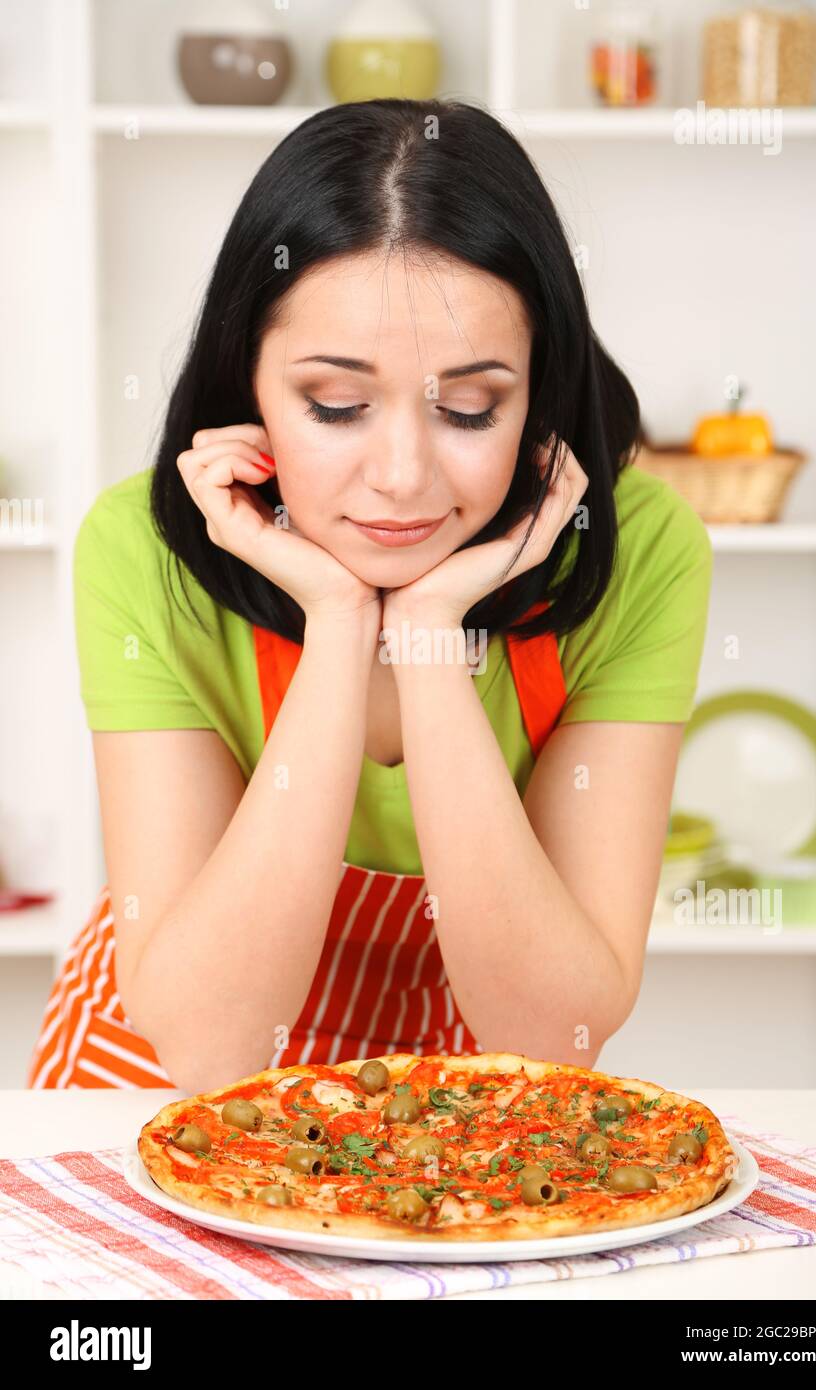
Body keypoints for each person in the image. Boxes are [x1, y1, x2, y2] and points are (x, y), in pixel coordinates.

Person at [27, 98, 712, 1094]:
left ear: (538, 395)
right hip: (162, 1076)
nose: (400, 475)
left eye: (469, 408)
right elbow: (208, 1046)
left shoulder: (637, 550)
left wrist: (428, 632)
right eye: (335, 406)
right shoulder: (143, 546)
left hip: (454, 1095)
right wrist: (340, 621)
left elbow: (549, 1033)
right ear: (247, 384)